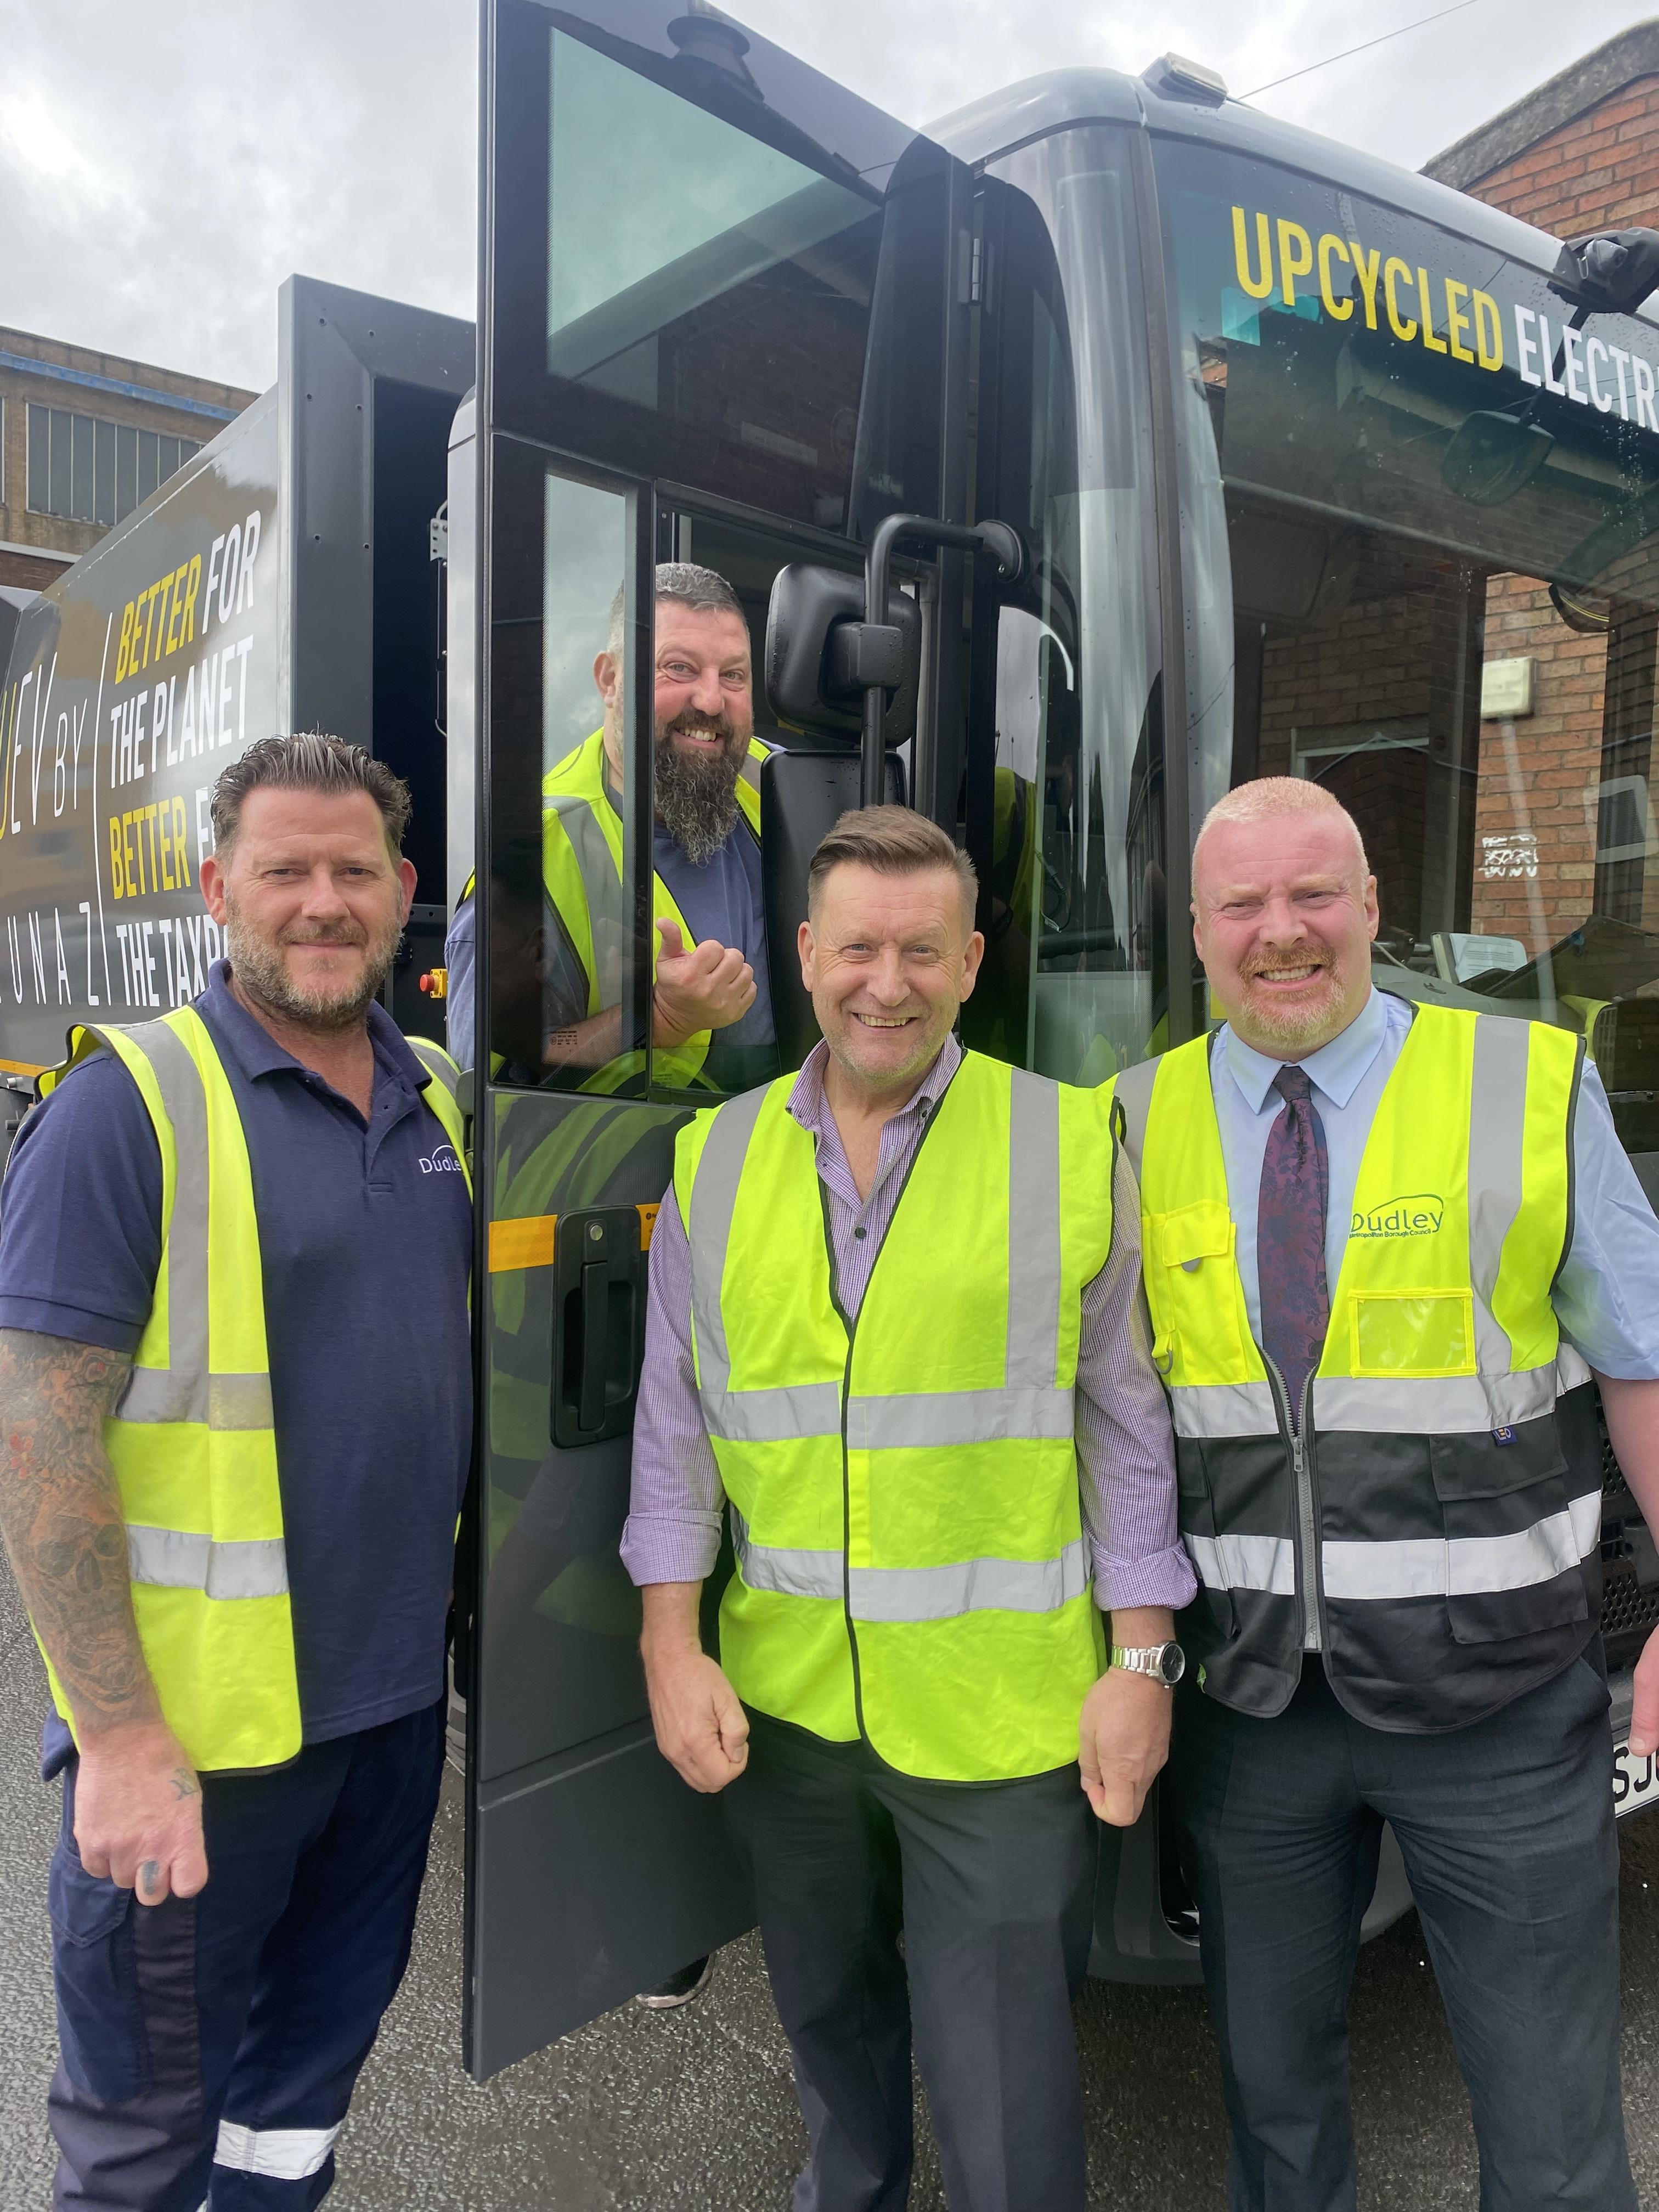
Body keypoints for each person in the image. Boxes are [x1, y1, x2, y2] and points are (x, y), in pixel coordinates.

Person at [623, 803, 1195, 2211]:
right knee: (832, 2045)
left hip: (1002, 1725)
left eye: (923, 951)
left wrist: (1141, 1661)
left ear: (973, 960)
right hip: (793, 1711)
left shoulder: (1068, 1144)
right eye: (859, 948)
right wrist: (669, 1641)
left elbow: (1126, 1421)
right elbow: (677, 1430)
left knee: (1005, 2087)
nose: (889, 981)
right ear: (807, 955)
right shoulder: (718, 1154)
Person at [1110, 774, 1659, 2212]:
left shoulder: (1523, 1086)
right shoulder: (1126, 1122)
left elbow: (1644, 1362)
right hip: (1253, 1715)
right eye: (1243, 904)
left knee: (1551, 2140)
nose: (1280, 933)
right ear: (1197, 929)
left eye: (1313, 897)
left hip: (1505, 1712)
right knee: (1273, 2114)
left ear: (1370, 909)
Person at [0, 733, 472, 2211]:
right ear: (220, 890)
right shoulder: (124, 1108)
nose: (321, 902)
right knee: (141, 2144)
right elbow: (40, 1439)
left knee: (294, 2109)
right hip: (196, 1750)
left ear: (403, 890)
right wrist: (123, 1738)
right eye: (285, 871)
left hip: (387, 1729)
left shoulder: (440, 1096)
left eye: (353, 871)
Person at [444, 560, 775, 1092]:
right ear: (609, 679)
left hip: (788, 1160)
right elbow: (506, 1073)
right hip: (628, 1169)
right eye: (680, 668)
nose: (711, 701)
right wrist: (657, 1019)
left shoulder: (778, 780)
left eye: (733, 675)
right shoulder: (535, 853)